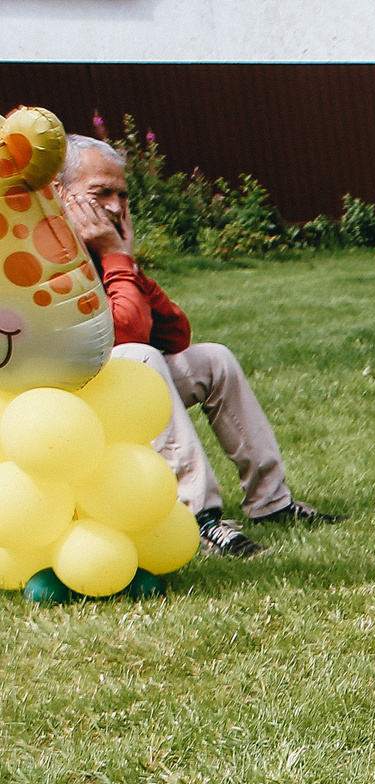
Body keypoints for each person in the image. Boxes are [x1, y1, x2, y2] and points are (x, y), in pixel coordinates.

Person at [54, 134, 338, 560]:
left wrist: (125, 263)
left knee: (213, 359)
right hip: (62, 407)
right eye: (101, 193)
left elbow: (175, 334)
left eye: (122, 195)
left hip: (110, 389)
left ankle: (271, 502)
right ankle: (198, 519)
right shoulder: (49, 253)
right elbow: (129, 334)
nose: (115, 207)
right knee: (141, 359)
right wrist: (116, 257)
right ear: (59, 191)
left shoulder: (99, 247)